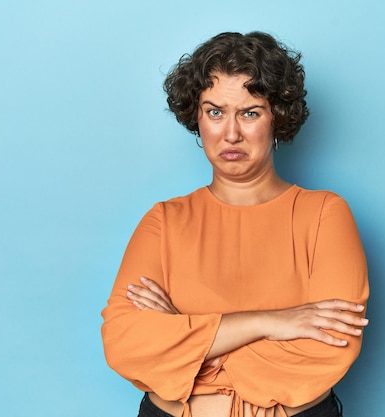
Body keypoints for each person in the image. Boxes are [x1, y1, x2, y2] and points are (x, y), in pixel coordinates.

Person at [101, 31, 369, 417]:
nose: (231, 133)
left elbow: (329, 346)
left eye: (249, 112)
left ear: (277, 115)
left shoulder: (324, 214)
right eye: (215, 111)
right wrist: (269, 322)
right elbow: (125, 343)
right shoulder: (163, 220)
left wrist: (184, 336)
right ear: (196, 117)